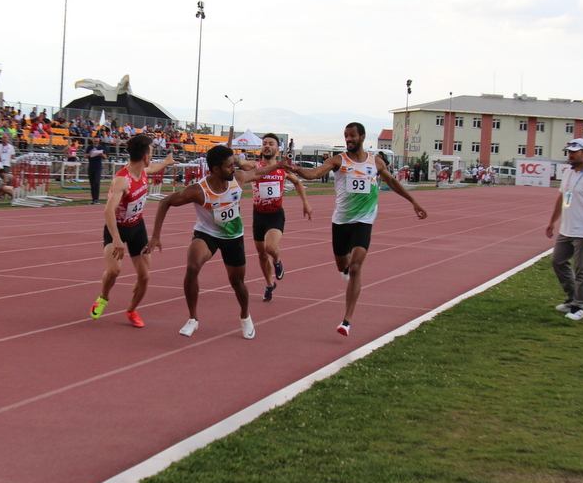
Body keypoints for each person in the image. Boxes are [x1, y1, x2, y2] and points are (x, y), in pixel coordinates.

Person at [290, 122, 427, 337]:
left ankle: (347, 320)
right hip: (341, 223)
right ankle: (345, 271)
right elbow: (315, 174)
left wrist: (414, 202)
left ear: (362, 137)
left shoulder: (375, 162)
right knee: (342, 265)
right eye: (346, 136)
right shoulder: (338, 161)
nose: (348, 139)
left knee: (355, 267)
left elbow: (392, 182)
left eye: (352, 135)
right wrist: (297, 169)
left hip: (364, 222)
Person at [144, 145, 293, 339]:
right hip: (207, 234)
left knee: (237, 281)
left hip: (233, 237)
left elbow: (256, 172)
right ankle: (193, 318)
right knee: (192, 266)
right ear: (215, 169)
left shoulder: (237, 180)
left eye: (234, 164)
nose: (234, 168)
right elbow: (165, 202)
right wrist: (155, 236)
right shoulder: (198, 191)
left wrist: (278, 166)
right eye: (230, 166)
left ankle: (245, 316)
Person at [89, 134, 175, 328]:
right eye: (151, 153)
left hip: (137, 227)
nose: (151, 157)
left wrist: (167, 162)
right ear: (145, 156)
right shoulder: (122, 180)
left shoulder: (144, 171)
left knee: (144, 276)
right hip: (117, 229)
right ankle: (103, 298)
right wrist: (117, 239)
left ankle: (131, 310)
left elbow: (155, 167)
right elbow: (108, 210)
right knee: (115, 270)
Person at [237, 133, 313, 302]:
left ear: (277, 149)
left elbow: (298, 182)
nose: (267, 146)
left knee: (270, 248)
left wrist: (305, 203)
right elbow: (241, 163)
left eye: (271, 144)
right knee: (262, 255)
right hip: (258, 215)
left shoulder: (282, 169)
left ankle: (277, 261)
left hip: (275, 215)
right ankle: (270, 283)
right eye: (264, 143)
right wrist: (233, 157)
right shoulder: (255, 166)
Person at [545, 138, 583, 321]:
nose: (570, 155)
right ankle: (572, 298)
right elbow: (562, 198)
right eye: (569, 152)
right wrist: (552, 222)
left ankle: (579, 307)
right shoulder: (568, 173)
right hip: (567, 229)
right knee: (558, 261)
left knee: (582, 270)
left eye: (574, 152)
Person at [86, 137, 106, 205]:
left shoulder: (101, 147)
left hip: (98, 167)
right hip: (91, 166)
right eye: (95, 141)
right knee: (92, 183)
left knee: (96, 182)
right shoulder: (89, 147)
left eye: (97, 141)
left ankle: (97, 199)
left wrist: (101, 154)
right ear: (92, 141)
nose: (96, 143)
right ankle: (93, 199)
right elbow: (85, 155)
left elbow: (105, 157)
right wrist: (90, 154)